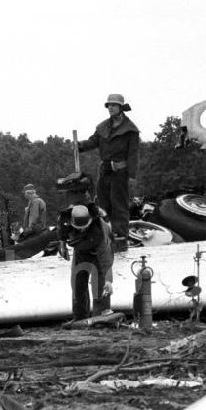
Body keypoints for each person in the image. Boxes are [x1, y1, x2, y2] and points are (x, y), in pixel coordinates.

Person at [77, 93, 140, 254]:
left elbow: (133, 155)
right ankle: (104, 235)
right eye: (108, 105)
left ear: (120, 108)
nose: (110, 108)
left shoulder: (131, 130)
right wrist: (80, 146)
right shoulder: (103, 127)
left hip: (120, 172)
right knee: (103, 206)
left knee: (119, 206)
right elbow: (93, 141)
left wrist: (132, 176)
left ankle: (120, 238)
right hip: (104, 171)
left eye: (113, 105)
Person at [58, 203, 113, 319]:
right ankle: (80, 316)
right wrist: (62, 246)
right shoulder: (65, 221)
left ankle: (101, 313)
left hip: (98, 252)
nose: (82, 229)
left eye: (84, 227)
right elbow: (62, 233)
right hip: (81, 251)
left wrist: (108, 280)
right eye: (79, 228)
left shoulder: (100, 231)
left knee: (100, 284)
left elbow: (106, 257)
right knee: (78, 282)